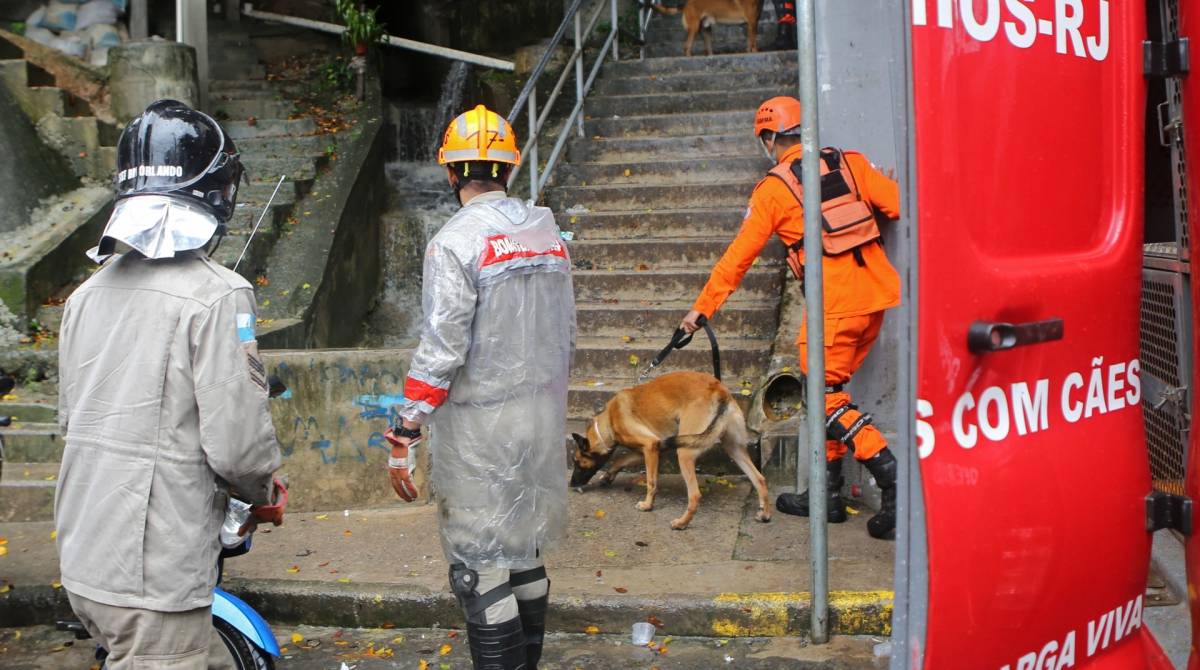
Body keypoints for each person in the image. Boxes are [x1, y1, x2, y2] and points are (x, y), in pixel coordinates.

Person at [55, 99, 283, 668]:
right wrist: (263, 490)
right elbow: (238, 446)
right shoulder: (219, 294)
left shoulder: (83, 298)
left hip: (86, 556)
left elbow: (69, 421)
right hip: (154, 569)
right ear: (217, 193)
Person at [385, 104, 576, 669]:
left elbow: (443, 348)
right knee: (522, 550)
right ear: (508, 171)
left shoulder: (454, 241)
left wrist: (406, 427)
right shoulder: (546, 233)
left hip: (479, 427)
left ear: (452, 173)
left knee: (478, 564)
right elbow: (566, 330)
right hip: (537, 417)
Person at [680, 95, 901, 540]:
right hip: (876, 296)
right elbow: (895, 204)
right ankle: (828, 496)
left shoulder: (774, 190)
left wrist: (702, 309)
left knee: (822, 397)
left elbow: (737, 259)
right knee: (833, 393)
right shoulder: (850, 163)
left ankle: (892, 479)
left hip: (832, 310)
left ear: (769, 138)